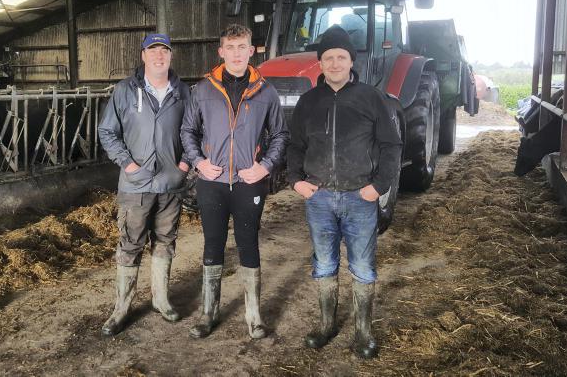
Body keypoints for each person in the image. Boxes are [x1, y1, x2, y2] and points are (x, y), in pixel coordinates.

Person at [286, 25, 402, 358]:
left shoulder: (371, 98)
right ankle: (326, 325)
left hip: (359, 197)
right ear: (320, 63)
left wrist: (378, 187)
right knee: (324, 263)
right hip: (319, 198)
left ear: (351, 61)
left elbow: (391, 145)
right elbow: (295, 145)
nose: (335, 63)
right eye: (328, 58)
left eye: (341, 57)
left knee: (363, 266)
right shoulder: (308, 101)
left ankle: (364, 332)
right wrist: (296, 180)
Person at [181, 24, 289, 339]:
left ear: (251, 51)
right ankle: (208, 313)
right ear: (221, 51)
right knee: (213, 243)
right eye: (231, 47)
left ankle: (254, 316)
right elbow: (187, 130)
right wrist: (199, 162)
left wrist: (265, 167)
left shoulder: (266, 91)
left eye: (242, 47)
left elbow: (280, 134)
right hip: (212, 181)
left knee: (248, 242)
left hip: (248, 181)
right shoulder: (203, 90)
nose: (237, 53)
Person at [97, 33, 191, 336]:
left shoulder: (183, 92)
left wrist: (184, 166)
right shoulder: (125, 90)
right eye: (153, 50)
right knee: (130, 243)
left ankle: (161, 300)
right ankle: (122, 308)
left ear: (171, 56)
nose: (159, 56)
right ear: (143, 55)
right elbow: (107, 131)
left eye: (164, 50)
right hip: (135, 185)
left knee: (165, 240)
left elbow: (194, 131)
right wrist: (128, 164)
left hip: (170, 184)